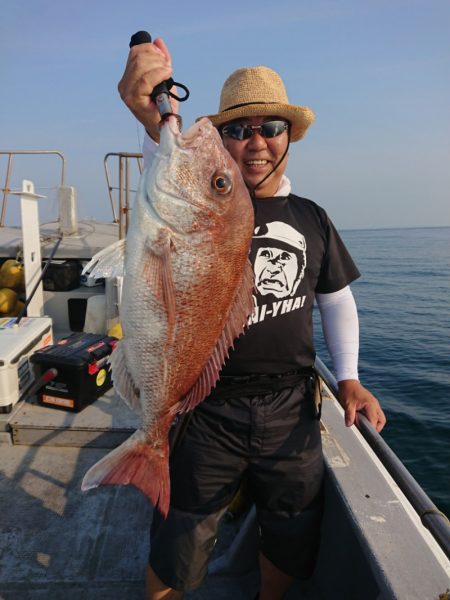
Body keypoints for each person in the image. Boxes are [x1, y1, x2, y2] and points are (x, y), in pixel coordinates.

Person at [118, 37, 387, 600]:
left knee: (289, 531)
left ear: (290, 139)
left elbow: (336, 298)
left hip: (290, 408)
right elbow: (170, 181)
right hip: (203, 408)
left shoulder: (312, 216)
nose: (257, 142)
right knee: (180, 539)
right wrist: (152, 120)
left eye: (272, 128)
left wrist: (351, 377)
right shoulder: (204, 199)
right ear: (222, 141)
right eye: (238, 130)